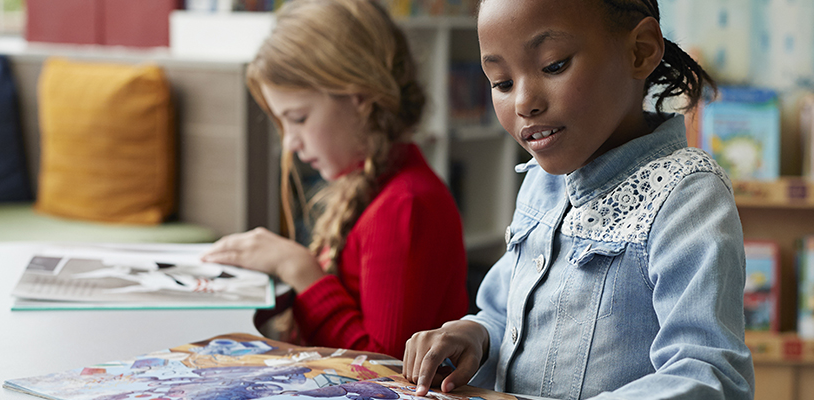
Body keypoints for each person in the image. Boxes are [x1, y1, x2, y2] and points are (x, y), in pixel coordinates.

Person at [401, 0, 754, 399]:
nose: (523, 102)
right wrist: (475, 334)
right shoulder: (540, 181)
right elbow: (504, 315)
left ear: (640, 51)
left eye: (553, 65)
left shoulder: (686, 194)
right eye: (502, 82)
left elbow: (709, 375)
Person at [199, 0, 468, 360]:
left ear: (358, 96)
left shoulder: (405, 204)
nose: (290, 143)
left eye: (298, 118)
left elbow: (386, 369)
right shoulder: (371, 188)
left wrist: (299, 269)